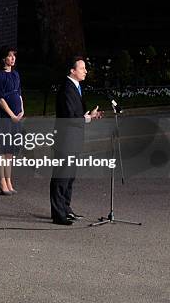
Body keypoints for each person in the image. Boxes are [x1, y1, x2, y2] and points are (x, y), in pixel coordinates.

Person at [50, 55, 103, 225]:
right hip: (66, 139)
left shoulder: (76, 86)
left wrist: (90, 115)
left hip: (74, 139)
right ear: (72, 71)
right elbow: (68, 117)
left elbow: (76, 113)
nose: (85, 71)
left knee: (70, 176)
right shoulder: (66, 89)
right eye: (82, 68)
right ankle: (58, 214)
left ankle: (66, 208)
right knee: (62, 176)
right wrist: (85, 119)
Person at [0, 46, 24, 195]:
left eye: (14, 56)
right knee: (2, 150)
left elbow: (19, 93)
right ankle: (1, 180)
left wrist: (21, 110)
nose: (13, 58)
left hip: (16, 117)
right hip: (4, 117)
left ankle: (8, 180)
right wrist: (11, 114)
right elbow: (0, 99)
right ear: (3, 58)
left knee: (10, 151)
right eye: (10, 56)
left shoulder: (16, 74)